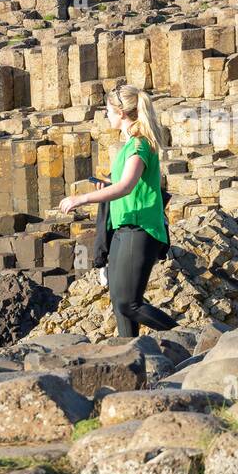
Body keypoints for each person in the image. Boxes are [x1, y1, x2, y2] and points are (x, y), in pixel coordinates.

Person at [58, 84, 177, 338]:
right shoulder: (130, 145)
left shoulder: (140, 145)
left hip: (141, 228)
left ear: (121, 112)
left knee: (129, 303)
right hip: (124, 227)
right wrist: (107, 186)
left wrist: (82, 198)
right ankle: (130, 356)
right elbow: (124, 185)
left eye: (108, 110)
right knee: (119, 303)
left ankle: (187, 338)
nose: (106, 115)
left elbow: (125, 187)